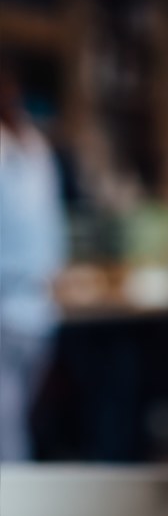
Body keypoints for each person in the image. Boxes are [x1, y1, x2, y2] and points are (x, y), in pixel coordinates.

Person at [0, 58, 67, 461]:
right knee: (9, 421)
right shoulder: (26, 145)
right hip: (19, 300)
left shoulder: (33, 146)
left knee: (14, 419)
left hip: (29, 299)